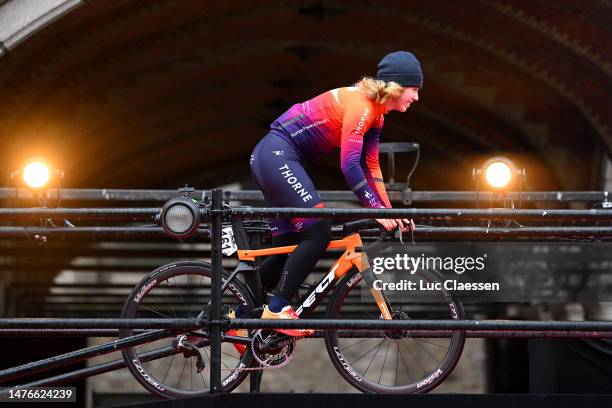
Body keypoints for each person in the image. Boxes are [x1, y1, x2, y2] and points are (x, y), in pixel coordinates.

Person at [239, 51, 421, 339]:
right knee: (319, 231)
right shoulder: (362, 105)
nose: (417, 97)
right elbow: (349, 164)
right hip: (278, 154)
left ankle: (235, 317)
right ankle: (277, 310)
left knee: (288, 241)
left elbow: (370, 167)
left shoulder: (377, 116)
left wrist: (387, 211)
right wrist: (376, 211)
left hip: (271, 156)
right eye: (415, 89)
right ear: (398, 86)